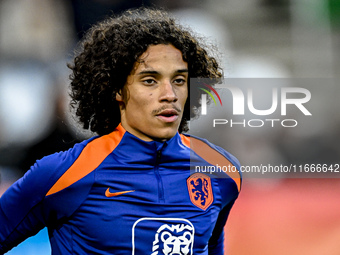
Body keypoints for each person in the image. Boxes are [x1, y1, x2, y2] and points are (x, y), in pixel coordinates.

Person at [0, 7, 241, 254]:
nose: (169, 95)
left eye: (178, 80)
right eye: (150, 81)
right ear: (116, 90)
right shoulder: (64, 173)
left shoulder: (221, 171)